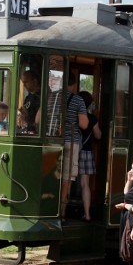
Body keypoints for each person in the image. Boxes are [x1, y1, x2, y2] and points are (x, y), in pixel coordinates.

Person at [48, 74, 89, 221]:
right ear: (74, 84)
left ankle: (48, 207)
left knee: (50, 176)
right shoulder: (78, 99)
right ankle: (61, 212)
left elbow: (38, 119)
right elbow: (84, 124)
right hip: (69, 142)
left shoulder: (50, 97)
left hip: (50, 141)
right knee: (66, 178)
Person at [78, 91, 101, 222]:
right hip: (86, 151)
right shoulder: (92, 118)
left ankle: (62, 213)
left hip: (72, 149)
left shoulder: (73, 116)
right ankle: (87, 214)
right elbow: (98, 135)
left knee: (67, 182)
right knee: (85, 184)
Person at [18, 68, 41, 134]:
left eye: (26, 82)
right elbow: (26, 113)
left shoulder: (41, 97)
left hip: (36, 133)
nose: (24, 85)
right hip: (27, 130)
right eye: (23, 83)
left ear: (35, 81)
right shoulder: (28, 97)